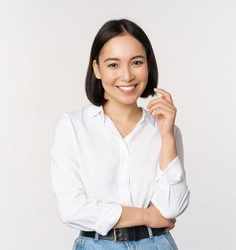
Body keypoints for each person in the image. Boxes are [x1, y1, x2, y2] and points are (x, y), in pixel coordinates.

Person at [51, 19, 190, 250]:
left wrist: (166, 136)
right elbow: (71, 209)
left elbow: (172, 207)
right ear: (97, 69)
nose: (127, 76)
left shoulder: (167, 130)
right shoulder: (72, 127)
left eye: (136, 62)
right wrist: (148, 217)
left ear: (148, 64)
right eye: (113, 65)